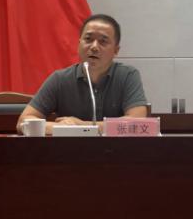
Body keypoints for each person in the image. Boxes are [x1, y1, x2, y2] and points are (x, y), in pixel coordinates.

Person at [17, 14, 149, 135]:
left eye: (103, 41)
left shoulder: (127, 76)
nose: (94, 47)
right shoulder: (60, 79)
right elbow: (23, 121)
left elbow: (138, 123)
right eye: (88, 39)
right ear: (79, 44)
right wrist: (61, 128)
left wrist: (83, 126)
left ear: (116, 50)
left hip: (115, 151)